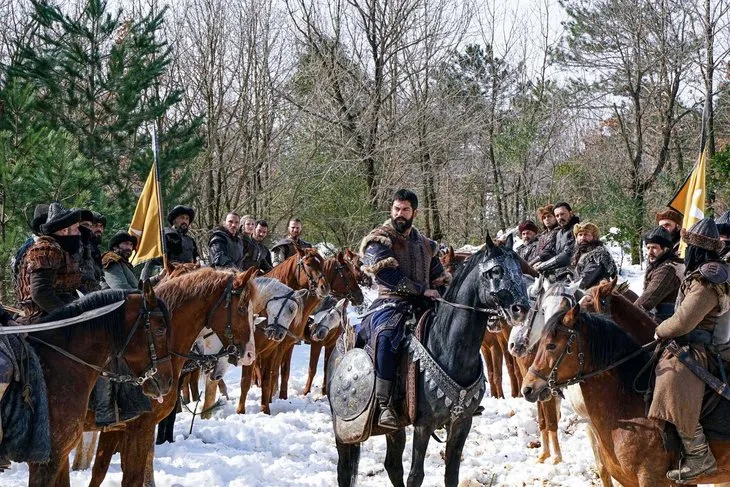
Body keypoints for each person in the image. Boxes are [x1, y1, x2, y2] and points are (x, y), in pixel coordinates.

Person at [359, 189, 450, 429]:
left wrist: (443, 286)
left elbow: (438, 276)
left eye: (406, 210)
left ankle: (459, 394)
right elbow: (386, 274)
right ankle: (384, 403)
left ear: (414, 212)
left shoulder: (427, 244)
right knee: (387, 337)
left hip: (425, 303)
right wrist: (421, 290)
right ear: (391, 210)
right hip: (390, 302)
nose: (400, 214)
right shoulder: (379, 238)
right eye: (397, 209)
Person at [649, 218, 730, 482]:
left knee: (672, 378)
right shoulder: (702, 273)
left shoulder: (708, 278)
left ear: (696, 248)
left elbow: (684, 320)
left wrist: (660, 330)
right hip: (690, 341)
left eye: (688, 246)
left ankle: (699, 456)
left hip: (701, 347)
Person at [15, 202, 85, 322]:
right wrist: (68, 315)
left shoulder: (62, 249)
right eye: (76, 228)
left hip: (63, 309)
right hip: (42, 317)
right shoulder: (47, 250)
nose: (79, 233)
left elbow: (74, 284)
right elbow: (40, 293)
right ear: (64, 231)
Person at [635, 226, 685, 320]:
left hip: (667, 321)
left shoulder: (668, 269)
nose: (650, 252)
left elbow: (647, 299)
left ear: (666, 249)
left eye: (654, 248)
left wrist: (628, 313)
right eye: (648, 247)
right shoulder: (659, 264)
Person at [141, 205, 199, 280]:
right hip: (169, 276)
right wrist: (145, 280)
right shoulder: (165, 235)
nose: (185, 221)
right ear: (174, 220)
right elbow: (151, 261)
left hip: (189, 276)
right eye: (182, 218)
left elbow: (196, 259)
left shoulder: (190, 241)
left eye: (187, 219)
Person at [534, 202, 580, 275]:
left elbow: (567, 256)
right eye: (557, 216)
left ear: (570, 213)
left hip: (577, 272)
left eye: (562, 214)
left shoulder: (578, 230)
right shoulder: (559, 233)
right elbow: (552, 252)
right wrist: (540, 263)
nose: (560, 218)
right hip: (562, 273)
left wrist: (543, 266)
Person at [570, 222, 617, 289]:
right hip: (584, 290)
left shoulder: (598, 254)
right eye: (580, 235)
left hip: (596, 293)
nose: (582, 238)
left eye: (586, 234)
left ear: (594, 237)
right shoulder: (580, 253)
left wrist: (568, 287)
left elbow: (585, 279)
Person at [78, 209, 103, 292]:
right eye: (95, 225)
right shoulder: (79, 247)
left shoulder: (94, 250)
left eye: (101, 226)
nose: (99, 229)